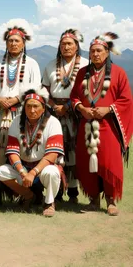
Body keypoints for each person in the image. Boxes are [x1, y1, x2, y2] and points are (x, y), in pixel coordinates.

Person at [70, 32, 133, 216]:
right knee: (86, 162)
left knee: (109, 162)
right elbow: (74, 96)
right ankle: (93, 200)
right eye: (92, 51)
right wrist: (82, 109)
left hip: (108, 127)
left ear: (107, 53)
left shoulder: (118, 73)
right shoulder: (83, 73)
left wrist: (109, 109)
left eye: (99, 50)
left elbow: (126, 100)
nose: (95, 54)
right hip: (86, 125)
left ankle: (111, 200)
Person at [0, 86, 65, 217]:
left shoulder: (53, 122)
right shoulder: (16, 122)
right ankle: (29, 195)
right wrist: (22, 172)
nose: (32, 110)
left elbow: (52, 154)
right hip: (23, 168)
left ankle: (49, 202)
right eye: (28, 106)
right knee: (1, 172)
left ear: (43, 107)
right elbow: (12, 152)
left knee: (52, 172)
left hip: (44, 168)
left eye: (35, 106)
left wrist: (33, 173)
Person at [42, 29, 89, 203]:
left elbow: (87, 90)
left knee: (75, 151)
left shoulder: (85, 64)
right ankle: (57, 191)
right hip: (53, 113)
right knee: (55, 150)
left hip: (77, 112)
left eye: (70, 44)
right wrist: (55, 106)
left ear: (77, 46)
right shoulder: (50, 64)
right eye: (63, 44)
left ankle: (73, 192)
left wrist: (69, 106)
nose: (66, 47)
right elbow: (45, 89)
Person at [0, 25, 41, 167]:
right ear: (6, 43)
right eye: (10, 41)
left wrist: (15, 99)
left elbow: (35, 88)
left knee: (21, 147)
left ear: (23, 43)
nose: (13, 44)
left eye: (17, 41)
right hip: (1, 114)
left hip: (23, 112)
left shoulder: (32, 64)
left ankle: (21, 184)